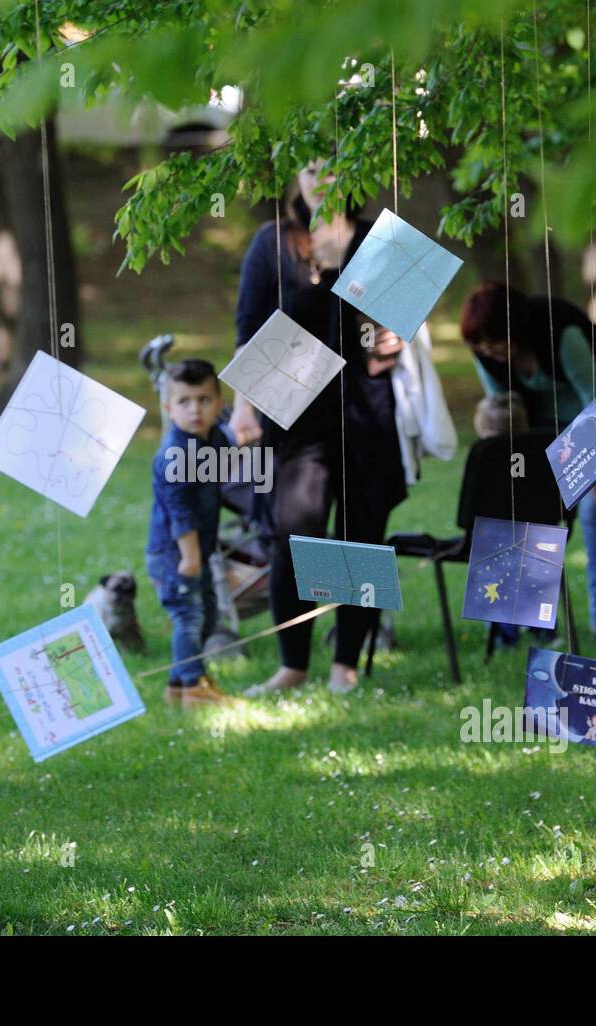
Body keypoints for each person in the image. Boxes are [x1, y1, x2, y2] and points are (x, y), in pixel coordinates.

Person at [230, 165, 413, 696]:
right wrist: (243, 408)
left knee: (361, 536)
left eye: (332, 166)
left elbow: (393, 341)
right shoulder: (273, 243)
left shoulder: (382, 242)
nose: (319, 179)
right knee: (294, 534)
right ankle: (293, 665)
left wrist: (389, 338)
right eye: (309, 168)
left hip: (366, 415)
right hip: (294, 415)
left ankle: (345, 666)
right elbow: (248, 332)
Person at [460, 281, 596, 637]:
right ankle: (521, 622)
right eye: (479, 344)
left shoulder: (560, 335)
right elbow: (508, 416)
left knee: (595, 508)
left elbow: (595, 399)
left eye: (493, 341)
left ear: (513, 331)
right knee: (528, 507)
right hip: (546, 415)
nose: (487, 350)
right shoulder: (486, 354)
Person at [146, 359, 232, 707]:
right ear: (169, 408)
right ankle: (194, 689)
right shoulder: (175, 453)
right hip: (176, 554)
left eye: (204, 400)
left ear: (219, 405)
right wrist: (192, 556)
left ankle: (178, 683)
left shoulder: (217, 440)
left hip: (201, 550)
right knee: (189, 616)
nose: (195, 409)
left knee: (208, 615)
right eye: (184, 402)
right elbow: (178, 511)